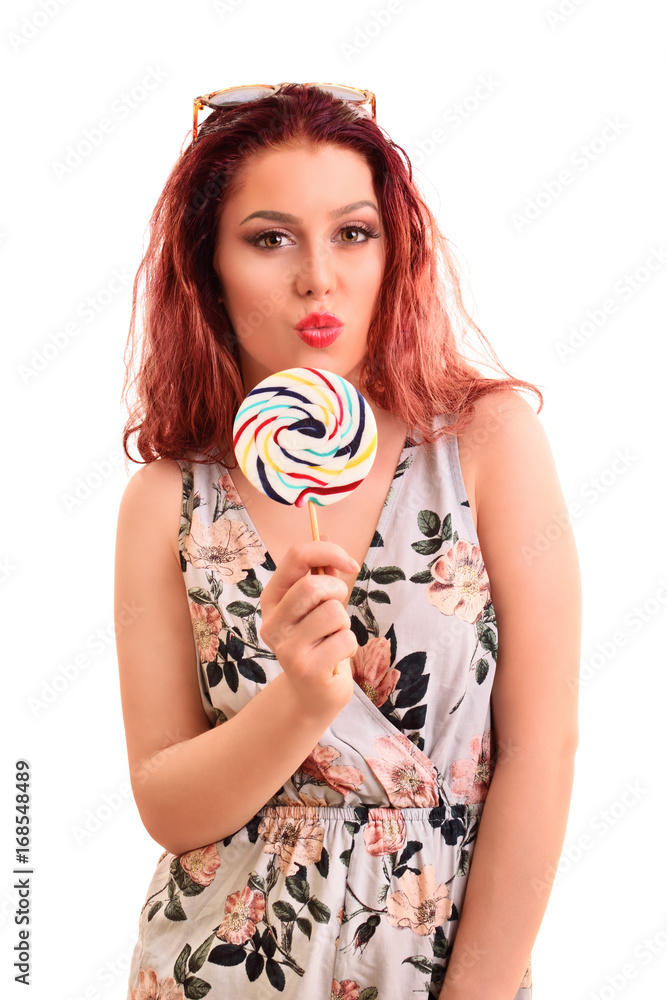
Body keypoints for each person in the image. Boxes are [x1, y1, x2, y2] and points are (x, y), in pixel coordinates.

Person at [115, 83, 580, 1000]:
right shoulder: (167, 499)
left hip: (444, 969)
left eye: (352, 233)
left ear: (392, 249)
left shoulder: (485, 443)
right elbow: (169, 806)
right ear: (207, 264)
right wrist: (300, 699)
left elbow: (542, 748)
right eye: (269, 237)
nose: (317, 277)